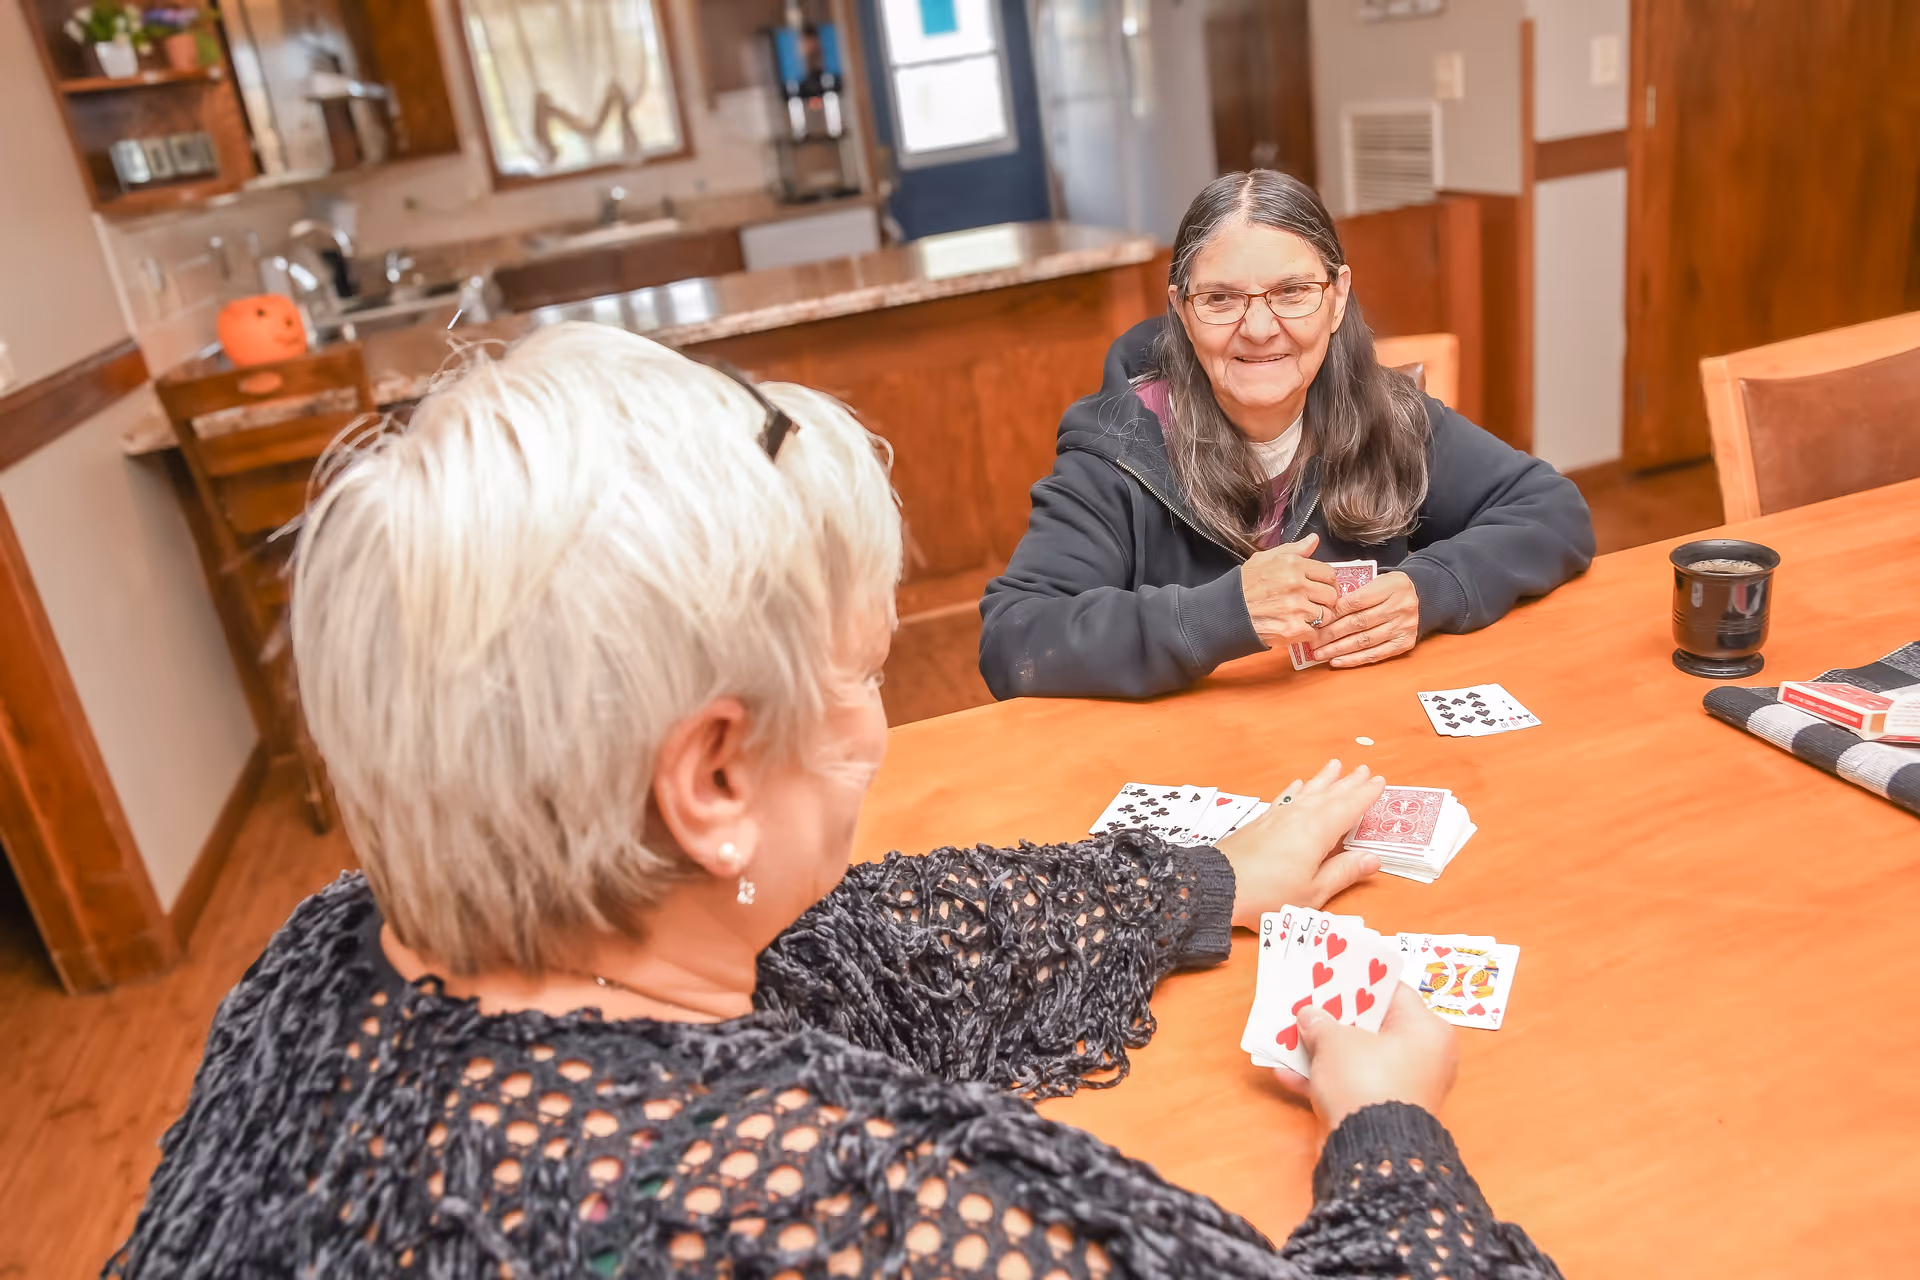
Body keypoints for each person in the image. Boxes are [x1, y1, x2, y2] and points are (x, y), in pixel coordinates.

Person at [107, 323, 1560, 1279]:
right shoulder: (810, 1199)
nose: (882, 725)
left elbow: (853, 952)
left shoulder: (320, 960)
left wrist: (1206, 880)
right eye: (865, 676)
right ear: (713, 778)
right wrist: (1386, 1131)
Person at [979, 171, 1595, 700]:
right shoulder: (1117, 448)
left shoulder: (1387, 413)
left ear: (1337, 298)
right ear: (1182, 310)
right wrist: (1219, 613)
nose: (1258, 327)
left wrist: (1430, 589)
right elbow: (1014, 639)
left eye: (1292, 292)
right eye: (1220, 298)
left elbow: (1552, 510)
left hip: (1362, 740)